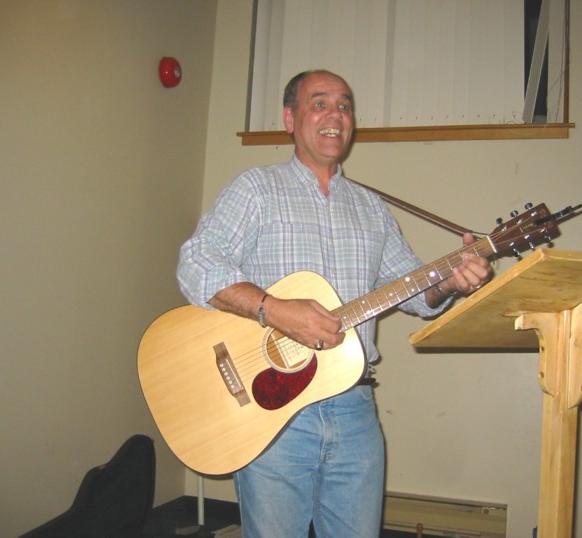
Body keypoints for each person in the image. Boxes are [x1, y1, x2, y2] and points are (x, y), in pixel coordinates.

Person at [177, 70, 491, 538]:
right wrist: (273, 309)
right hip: (273, 412)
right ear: (290, 119)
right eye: (320, 103)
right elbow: (196, 262)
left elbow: (416, 292)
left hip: (355, 409)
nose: (336, 115)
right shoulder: (257, 188)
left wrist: (449, 282)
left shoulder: (371, 208)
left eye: (344, 106)